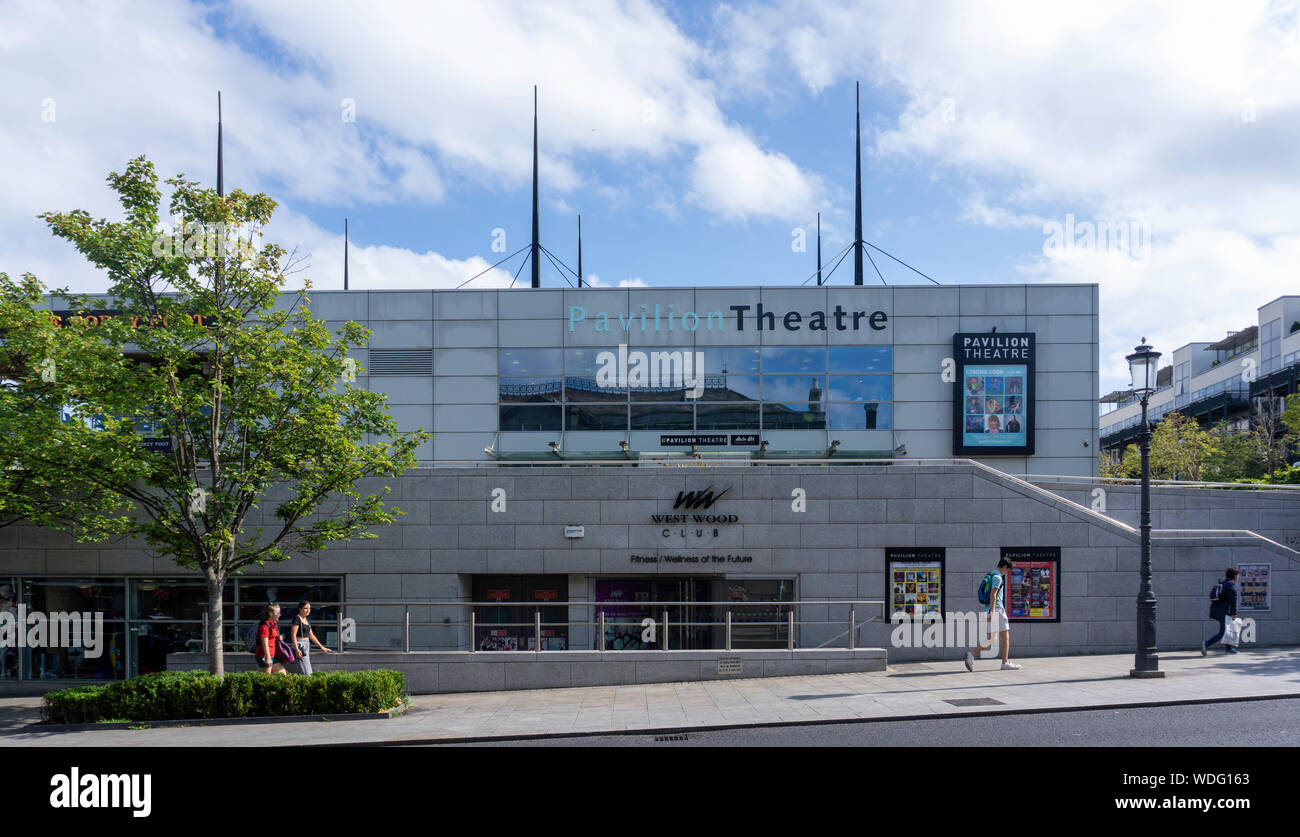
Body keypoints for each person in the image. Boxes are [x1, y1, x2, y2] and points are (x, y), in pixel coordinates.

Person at [965, 557, 1021, 671]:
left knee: (992, 639)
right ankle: (1004, 663)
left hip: (989, 610)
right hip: (997, 610)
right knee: (1005, 637)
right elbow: (993, 595)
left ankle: (972, 655)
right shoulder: (998, 577)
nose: (1007, 573)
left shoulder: (991, 575)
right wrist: (994, 611)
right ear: (1005, 567)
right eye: (1008, 570)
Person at [1203, 567, 1241, 655]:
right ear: (1235, 575)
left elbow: (1215, 600)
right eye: (1238, 575)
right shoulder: (1231, 585)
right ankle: (1206, 644)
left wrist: (1211, 612)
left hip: (1216, 610)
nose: (1238, 577)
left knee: (1228, 629)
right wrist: (1234, 612)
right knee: (1223, 631)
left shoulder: (1222, 584)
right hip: (1224, 611)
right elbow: (1233, 600)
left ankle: (1229, 648)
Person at [289, 600, 332, 675]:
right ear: (300, 609)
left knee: (305, 668)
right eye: (305, 608)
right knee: (307, 671)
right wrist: (296, 649)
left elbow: (311, 635)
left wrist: (322, 647)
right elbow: (293, 634)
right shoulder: (297, 618)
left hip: (306, 644)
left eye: (309, 608)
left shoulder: (306, 619)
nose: (308, 610)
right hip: (300, 645)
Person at [255, 603, 288, 675]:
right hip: (265, 655)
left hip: (272, 654)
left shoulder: (274, 624)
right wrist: (268, 657)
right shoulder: (265, 626)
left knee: (282, 674)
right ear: (270, 614)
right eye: (278, 613)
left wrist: (278, 637)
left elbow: (272, 637)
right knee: (265, 679)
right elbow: (265, 643)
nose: (280, 614)